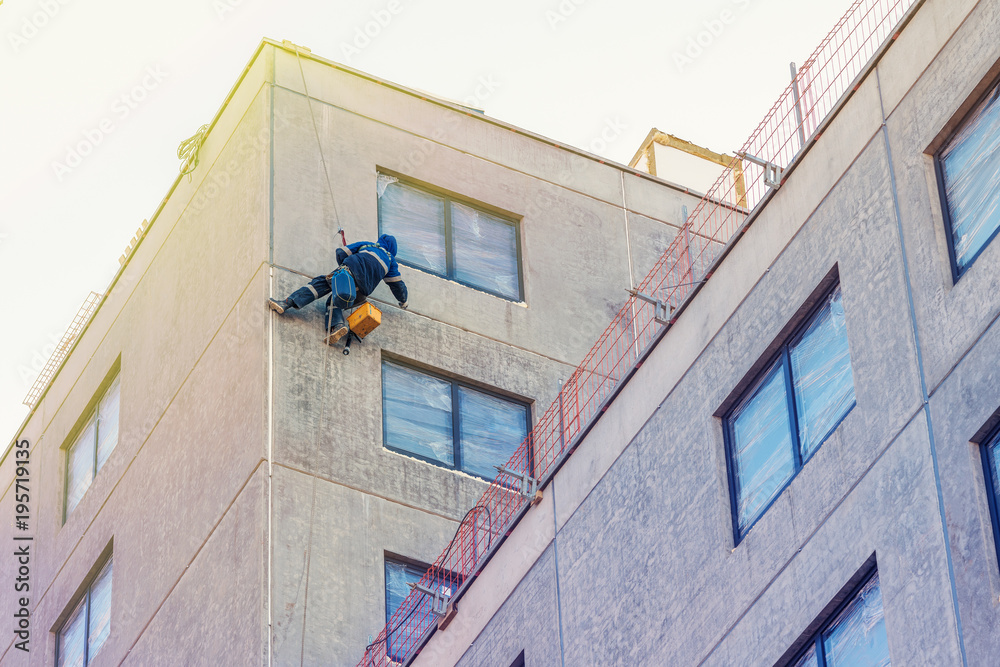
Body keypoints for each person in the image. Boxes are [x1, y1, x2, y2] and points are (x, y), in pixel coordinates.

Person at [269, 234, 408, 345]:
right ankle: (338, 325)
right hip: (360, 293)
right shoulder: (391, 262)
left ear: (380, 241)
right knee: (334, 301)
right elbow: (398, 286)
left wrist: (345, 264)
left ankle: (286, 303)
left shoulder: (368, 245)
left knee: (321, 284)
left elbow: (341, 252)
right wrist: (403, 302)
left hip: (348, 275)